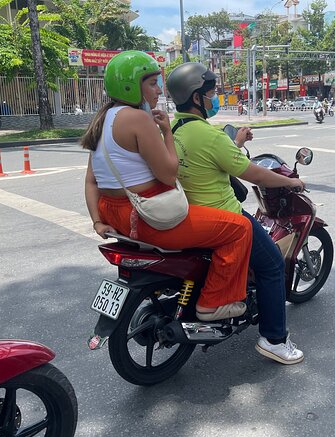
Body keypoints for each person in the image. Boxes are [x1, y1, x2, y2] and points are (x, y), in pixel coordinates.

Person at [82, 51, 253, 322]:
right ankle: (213, 303)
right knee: (239, 228)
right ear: (130, 85)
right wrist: (166, 133)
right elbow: (168, 174)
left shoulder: (102, 121)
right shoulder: (138, 119)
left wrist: (96, 223)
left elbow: (91, 182)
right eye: (151, 83)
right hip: (148, 214)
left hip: (112, 214)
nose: (158, 90)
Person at [166, 62, 306, 365]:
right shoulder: (209, 136)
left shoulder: (174, 129)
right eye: (212, 92)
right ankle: (275, 339)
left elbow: (206, 156)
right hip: (225, 218)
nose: (215, 97)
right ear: (195, 97)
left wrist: (237, 143)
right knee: (271, 266)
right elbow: (257, 175)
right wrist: (291, 181)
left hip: (190, 217)